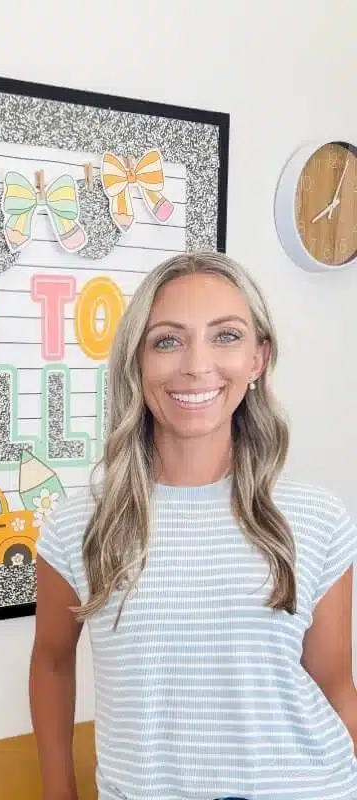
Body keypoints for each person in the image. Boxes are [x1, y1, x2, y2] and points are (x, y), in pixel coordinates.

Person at [30, 251, 357, 800]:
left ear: (259, 358)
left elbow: (333, 683)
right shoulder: (78, 527)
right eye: (167, 340)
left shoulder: (318, 520)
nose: (196, 365)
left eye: (225, 336)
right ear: (136, 363)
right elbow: (52, 663)